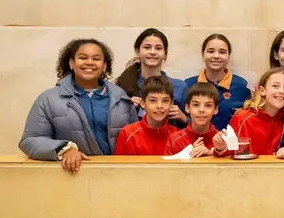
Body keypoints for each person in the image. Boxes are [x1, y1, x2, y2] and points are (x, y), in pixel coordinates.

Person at [20, 38, 139, 174]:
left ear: (105, 65)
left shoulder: (121, 98)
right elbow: (30, 141)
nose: (89, 62)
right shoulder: (48, 99)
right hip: (71, 176)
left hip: (115, 175)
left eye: (96, 58)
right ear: (72, 63)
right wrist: (64, 149)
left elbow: (135, 138)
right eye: (83, 57)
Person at [113, 28, 188, 126]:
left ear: (165, 54)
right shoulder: (122, 85)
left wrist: (184, 118)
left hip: (170, 140)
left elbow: (193, 127)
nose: (153, 52)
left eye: (158, 48)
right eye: (147, 47)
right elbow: (112, 125)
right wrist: (126, 109)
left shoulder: (180, 87)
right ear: (137, 51)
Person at [186, 33, 250, 131]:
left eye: (222, 52)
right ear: (203, 54)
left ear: (228, 56)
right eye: (211, 51)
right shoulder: (188, 85)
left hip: (230, 144)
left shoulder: (241, 86)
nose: (216, 56)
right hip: (197, 143)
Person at [221, 68, 284, 156]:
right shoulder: (242, 118)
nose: (281, 91)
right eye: (275, 86)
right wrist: (220, 148)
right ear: (262, 91)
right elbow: (228, 152)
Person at [114, 76, 179, 155]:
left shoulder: (177, 136)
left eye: (165, 100)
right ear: (143, 103)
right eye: (153, 100)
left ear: (171, 103)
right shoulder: (127, 134)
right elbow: (119, 166)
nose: (159, 106)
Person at [165, 82, 224, 157]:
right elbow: (168, 168)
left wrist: (213, 154)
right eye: (196, 105)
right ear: (187, 108)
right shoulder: (175, 140)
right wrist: (188, 155)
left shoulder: (222, 141)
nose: (201, 110)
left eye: (208, 105)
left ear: (215, 109)